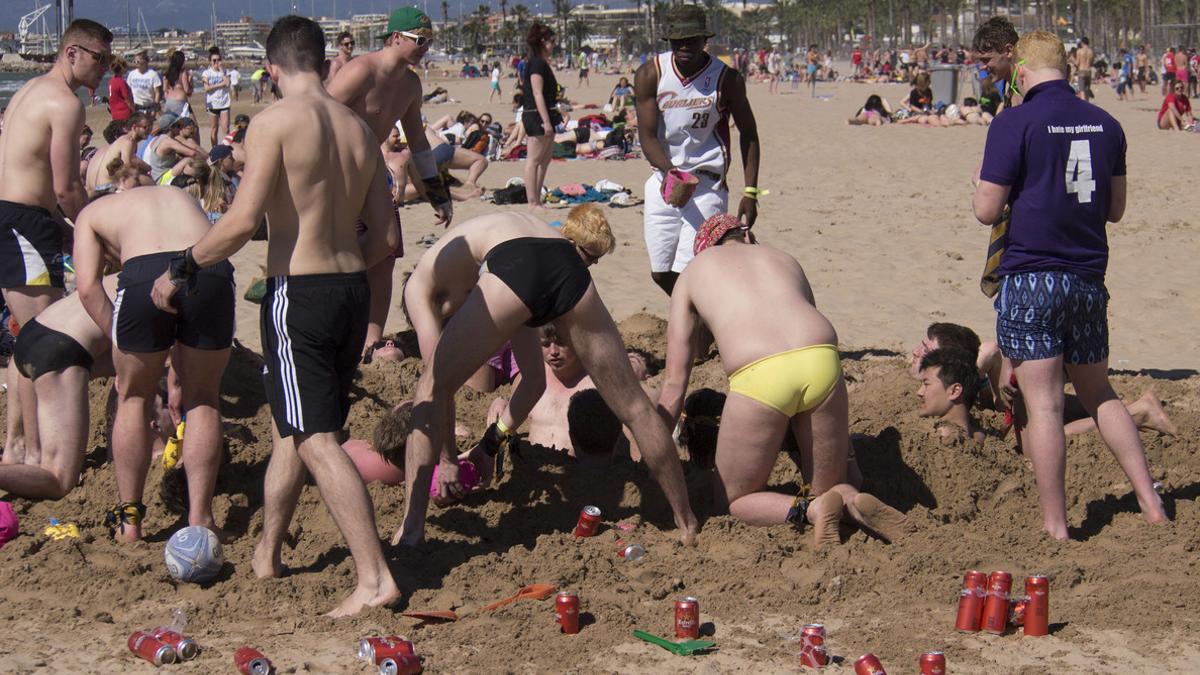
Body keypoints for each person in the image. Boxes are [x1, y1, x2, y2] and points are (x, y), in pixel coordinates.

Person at [151, 15, 399, 617]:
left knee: (315, 436)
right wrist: (340, 266)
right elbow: (387, 238)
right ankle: (268, 552)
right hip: (349, 291)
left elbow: (238, 222)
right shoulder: (359, 130)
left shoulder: (273, 122)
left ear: (273, 68)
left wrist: (182, 268)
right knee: (297, 425)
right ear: (323, 61)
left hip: (302, 294)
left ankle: (374, 579)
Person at [392, 205, 700, 548]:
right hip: (561, 259)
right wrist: (490, 445)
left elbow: (436, 388)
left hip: (513, 260)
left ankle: (411, 530)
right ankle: (686, 520)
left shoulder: (417, 290)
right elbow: (534, 382)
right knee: (635, 405)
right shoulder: (478, 275)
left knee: (429, 385)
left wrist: (448, 459)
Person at [972, 31, 1167, 540]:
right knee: (1100, 392)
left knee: (1044, 407)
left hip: (1033, 275)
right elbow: (1116, 210)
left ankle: (1056, 527)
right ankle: (1151, 503)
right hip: (1086, 277)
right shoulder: (1108, 123)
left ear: (1022, 71)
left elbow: (986, 210)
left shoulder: (1013, 121)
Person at [657, 213, 912, 549]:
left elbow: (675, 386)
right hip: (821, 357)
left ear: (705, 251)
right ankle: (848, 498)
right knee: (831, 487)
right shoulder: (784, 259)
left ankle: (811, 509)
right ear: (746, 236)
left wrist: (654, 452)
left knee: (734, 500)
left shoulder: (692, 274)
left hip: (760, 373)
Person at [72, 186, 234, 544]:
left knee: (133, 396)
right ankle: (201, 518)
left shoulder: (91, 214)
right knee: (204, 398)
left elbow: (86, 287)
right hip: (207, 267)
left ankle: (130, 524)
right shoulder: (176, 194)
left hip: (144, 272)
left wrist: (119, 338)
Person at [0, 19, 111, 465]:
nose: (104, 69)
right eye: (99, 59)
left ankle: (17, 446)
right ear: (72, 53)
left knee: (27, 340)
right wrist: (96, 231)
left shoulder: (29, 90)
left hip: (19, 217)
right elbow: (67, 188)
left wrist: (64, 229)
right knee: (39, 344)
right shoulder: (65, 104)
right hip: (24, 222)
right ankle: (37, 452)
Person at [327, 6, 453, 362]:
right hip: (336, 176)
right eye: (419, 40)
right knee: (344, 248)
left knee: (386, 251)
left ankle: (371, 340)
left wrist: (437, 193)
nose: (425, 47)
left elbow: (418, 140)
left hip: (370, 174)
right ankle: (335, 309)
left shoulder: (410, 84)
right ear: (396, 37)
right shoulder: (360, 72)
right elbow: (314, 113)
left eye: (430, 41)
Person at [634, 4, 761, 295]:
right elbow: (648, 136)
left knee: (692, 270)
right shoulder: (650, 74)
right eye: (678, 41)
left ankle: (700, 331)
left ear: (705, 40)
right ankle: (698, 320)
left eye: (691, 40)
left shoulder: (726, 79)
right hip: (664, 181)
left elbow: (750, 135)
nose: (684, 47)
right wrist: (670, 173)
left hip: (707, 184)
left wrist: (750, 192)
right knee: (661, 272)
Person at [0, 276, 117, 499]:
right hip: (60, 349)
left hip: (33, 333)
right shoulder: (181, 285)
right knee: (59, 480)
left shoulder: (136, 266)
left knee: (33, 461)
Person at [521, 23, 560, 210]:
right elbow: (537, 93)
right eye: (552, 41)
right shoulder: (536, 63)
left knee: (544, 160)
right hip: (536, 116)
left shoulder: (542, 63)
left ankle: (538, 198)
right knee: (534, 159)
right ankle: (532, 201)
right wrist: (545, 121)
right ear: (543, 42)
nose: (553, 45)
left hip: (547, 114)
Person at [916, 348, 985, 444]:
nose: (919, 392)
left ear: (954, 391)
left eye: (926, 384)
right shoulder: (981, 435)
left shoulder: (936, 439)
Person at [87, 112, 152, 194]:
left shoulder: (122, 141)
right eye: (145, 127)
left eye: (150, 127)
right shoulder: (128, 141)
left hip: (98, 187)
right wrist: (147, 168)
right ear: (135, 127)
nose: (149, 130)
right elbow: (127, 165)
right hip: (108, 186)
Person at [972, 17, 1020, 107]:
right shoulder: (1013, 85)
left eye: (986, 60)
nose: (982, 67)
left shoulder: (1027, 86)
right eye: (980, 60)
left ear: (1009, 51)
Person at [201, 47, 232, 147]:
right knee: (214, 129)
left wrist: (222, 71)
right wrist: (220, 85)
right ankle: (214, 149)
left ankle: (227, 149)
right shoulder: (206, 73)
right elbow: (206, 88)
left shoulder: (225, 72)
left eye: (218, 60)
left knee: (226, 128)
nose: (216, 62)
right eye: (214, 60)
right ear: (210, 61)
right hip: (212, 104)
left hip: (224, 103)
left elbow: (227, 83)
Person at [163, 50, 193, 120]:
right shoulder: (183, 72)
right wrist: (190, 82)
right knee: (189, 126)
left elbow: (165, 89)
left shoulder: (167, 72)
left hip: (169, 101)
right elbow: (187, 90)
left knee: (171, 125)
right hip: (180, 101)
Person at [107, 57, 134, 122]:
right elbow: (127, 100)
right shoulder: (121, 82)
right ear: (122, 68)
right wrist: (134, 111)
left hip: (114, 112)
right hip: (124, 112)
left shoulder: (111, 81)